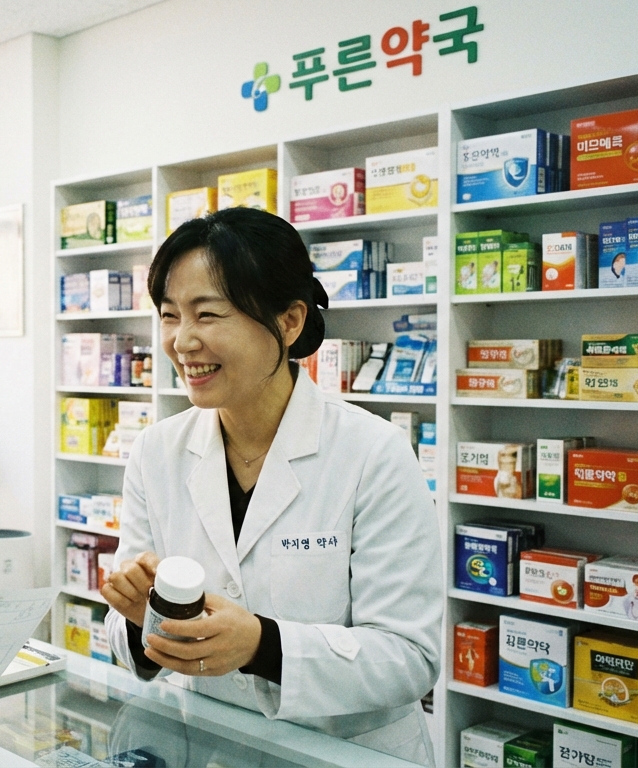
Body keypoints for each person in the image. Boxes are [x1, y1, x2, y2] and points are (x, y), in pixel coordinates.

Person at [100, 207, 441, 765]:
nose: (182, 341)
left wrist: (263, 646)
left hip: (344, 753)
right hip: (210, 743)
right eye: (168, 315)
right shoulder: (156, 453)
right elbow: (128, 638)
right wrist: (145, 622)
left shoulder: (372, 453)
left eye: (207, 314)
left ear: (288, 322)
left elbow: (409, 656)